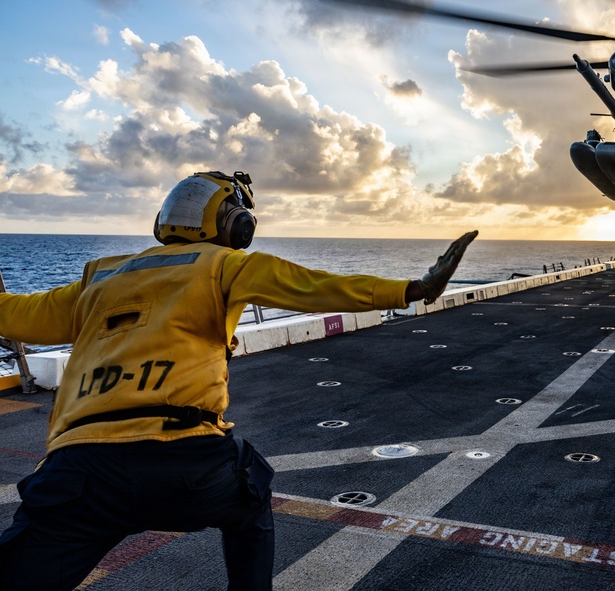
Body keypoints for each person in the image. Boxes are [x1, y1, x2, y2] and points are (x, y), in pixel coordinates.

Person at [0, 170, 477, 590]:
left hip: (79, 472)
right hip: (186, 462)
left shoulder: (97, 277)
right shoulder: (226, 264)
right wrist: (414, 288)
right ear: (234, 223)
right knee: (251, 495)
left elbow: (16, 316)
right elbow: (314, 286)